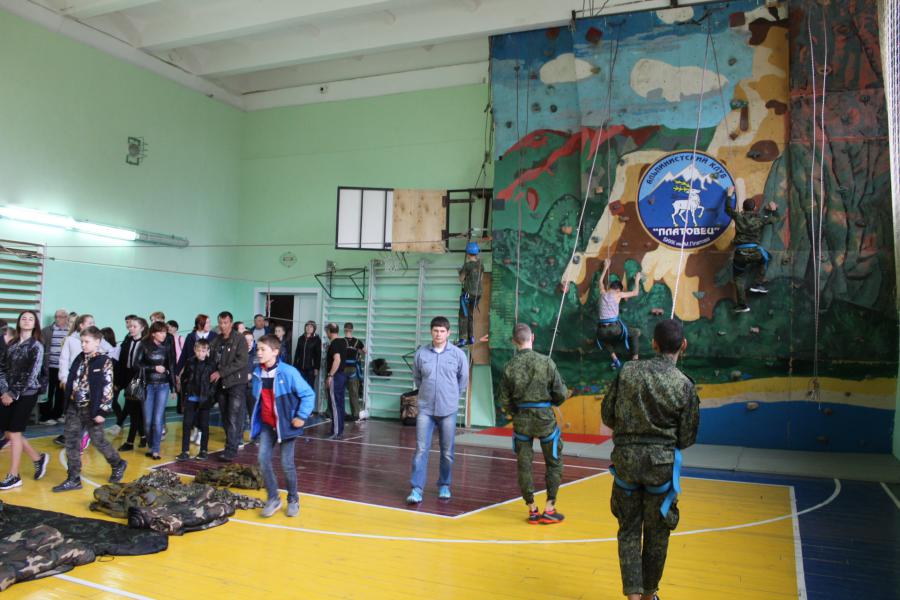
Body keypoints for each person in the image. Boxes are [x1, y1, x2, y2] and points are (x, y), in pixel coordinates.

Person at [601, 319, 700, 600]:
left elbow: (608, 414)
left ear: (654, 344)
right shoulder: (684, 385)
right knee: (657, 534)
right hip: (661, 468)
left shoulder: (627, 372)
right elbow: (687, 437)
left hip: (626, 464)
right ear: (683, 345)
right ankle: (649, 595)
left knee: (629, 530)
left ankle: (633, 597)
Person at [497, 323, 570, 524]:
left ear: (514, 341)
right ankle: (550, 508)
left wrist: (517, 411)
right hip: (545, 419)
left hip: (522, 420)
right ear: (533, 337)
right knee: (553, 462)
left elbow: (503, 399)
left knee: (524, 464)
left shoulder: (509, 366)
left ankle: (532, 509)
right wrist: (550, 403)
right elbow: (561, 394)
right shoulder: (546, 362)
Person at [52, 326, 128, 492]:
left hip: (91, 408)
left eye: (87, 342)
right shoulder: (79, 358)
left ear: (97, 342)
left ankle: (118, 463)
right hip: (74, 406)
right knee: (71, 442)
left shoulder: (104, 361)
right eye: (82, 341)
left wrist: (102, 411)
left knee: (98, 441)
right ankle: (73, 478)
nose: (83, 345)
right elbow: (73, 379)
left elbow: (107, 387)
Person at [250, 334, 315, 518]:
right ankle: (273, 498)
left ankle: (293, 499)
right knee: (263, 459)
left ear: (275, 352)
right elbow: (258, 400)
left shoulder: (289, 372)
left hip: (286, 425)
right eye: (257, 349)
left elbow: (308, 394)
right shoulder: (257, 373)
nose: (259, 352)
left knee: (287, 464)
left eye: (263, 349)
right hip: (267, 425)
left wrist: (301, 416)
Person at [406, 316, 468, 504]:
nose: (438, 334)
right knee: (420, 450)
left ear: (448, 333)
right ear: (431, 332)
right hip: (425, 409)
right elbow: (417, 378)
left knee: (447, 452)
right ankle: (416, 489)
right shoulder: (421, 354)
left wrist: (451, 396)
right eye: (435, 331)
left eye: (442, 331)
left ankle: (444, 485)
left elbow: (463, 380)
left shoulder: (458, 355)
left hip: (448, 409)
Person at [0, 311, 49, 491]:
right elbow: (2, 368)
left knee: (14, 432)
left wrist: (12, 394)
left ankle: (14, 476)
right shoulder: (11, 344)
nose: (27, 321)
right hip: (7, 393)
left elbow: (31, 375)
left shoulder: (36, 346)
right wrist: (4, 390)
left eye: (30, 319)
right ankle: (38, 458)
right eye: (23, 318)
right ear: (19, 322)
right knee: (8, 433)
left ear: (34, 324)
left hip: (26, 394)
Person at [57, 314, 113, 450]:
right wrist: (65, 379)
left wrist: (103, 410)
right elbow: (64, 360)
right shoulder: (70, 340)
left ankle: (86, 437)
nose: (83, 345)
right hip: (75, 388)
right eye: (89, 323)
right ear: (81, 325)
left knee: (97, 437)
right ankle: (74, 454)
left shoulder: (98, 345)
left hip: (90, 394)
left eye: (93, 322)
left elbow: (107, 384)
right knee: (72, 431)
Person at [723, 186, 780, 313]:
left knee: (738, 277)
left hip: (740, 253)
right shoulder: (760, 218)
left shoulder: (738, 216)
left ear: (743, 208)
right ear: (754, 208)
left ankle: (742, 305)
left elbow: (727, 209)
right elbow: (775, 219)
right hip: (755, 252)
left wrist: (729, 194)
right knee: (766, 258)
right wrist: (774, 210)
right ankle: (758, 284)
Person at [209, 311, 249, 462]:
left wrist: (221, 372)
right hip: (221, 385)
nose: (222, 325)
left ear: (231, 323)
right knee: (225, 417)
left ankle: (231, 449)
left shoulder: (240, 339)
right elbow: (211, 359)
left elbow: (241, 361)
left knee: (233, 416)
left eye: (225, 322)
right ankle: (231, 443)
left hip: (236, 383)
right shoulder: (216, 340)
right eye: (220, 322)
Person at [135, 321, 176, 460]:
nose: (164, 335)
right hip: (148, 385)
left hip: (163, 385)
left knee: (158, 420)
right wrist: (154, 368)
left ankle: (155, 450)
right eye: (161, 332)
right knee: (147, 421)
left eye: (165, 332)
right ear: (153, 333)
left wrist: (173, 388)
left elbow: (171, 365)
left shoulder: (167, 345)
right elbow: (136, 364)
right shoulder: (143, 344)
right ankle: (151, 446)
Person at [177, 314, 218, 447]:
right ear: (200, 324)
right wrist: (177, 373)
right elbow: (184, 355)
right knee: (190, 412)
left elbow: (216, 358)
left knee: (203, 413)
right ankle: (194, 431)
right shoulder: (191, 337)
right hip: (193, 379)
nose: (209, 325)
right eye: (207, 323)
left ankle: (200, 433)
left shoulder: (214, 336)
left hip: (206, 379)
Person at [597, 258, 643, 370]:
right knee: (635, 333)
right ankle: (635, 360)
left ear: (609, 287)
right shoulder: (618, 294)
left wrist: (605, 268)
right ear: (619, 290)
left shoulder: (602, 292)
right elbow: (635, 293)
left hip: (601, 331)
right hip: (615, 329)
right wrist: (637, 280)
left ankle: (615, 360)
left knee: (604, 340)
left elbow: (600, 282)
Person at [176, 338, 215, 461]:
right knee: (187, 424)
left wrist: (210, 395)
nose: (200, 353)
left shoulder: (211, 364)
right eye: (198, 350)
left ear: (207, 351)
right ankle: (185, 451)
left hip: (205, 399)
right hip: (191, 398)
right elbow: (184, 378)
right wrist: (185, 392)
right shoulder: (190, 362)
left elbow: (214, 383)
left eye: (203, 351)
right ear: (194, 350)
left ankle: (203, 451)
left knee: (204, 425)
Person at [115, 316, 148, 451]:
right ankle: (143, 436)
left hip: (138, 378)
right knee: (135, 409)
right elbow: (121, 363)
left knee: (134, 409)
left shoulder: (145, 343)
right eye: (130, 326)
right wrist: (118, 381)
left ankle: (130, 441)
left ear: (142, 328)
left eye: (134, 326)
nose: (131, 329)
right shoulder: (127, 341)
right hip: (128, 377)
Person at [39, 308, 69, 425]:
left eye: (60, 317)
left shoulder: (70, 331)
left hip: (63, 368)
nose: (57, 319)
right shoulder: (46, 331)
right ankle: (45, 417)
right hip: (49, 367)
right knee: (48, 392)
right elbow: (40, 347)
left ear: (66, 318)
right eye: (56, 316)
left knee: (61, 392)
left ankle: (57, 414)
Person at [456, 241, 484, 346]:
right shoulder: (481, 265)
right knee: (470, 314)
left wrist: (460, 272)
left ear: (467, 253)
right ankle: (471, 338)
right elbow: (480, 279)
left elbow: (461, 279)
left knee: (463, 315)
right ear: (477, 253)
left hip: (467, 294)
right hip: (477, 295)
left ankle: (462, 339)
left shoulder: (467, 266)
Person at [100, 326, 126, 435]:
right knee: (109, 403)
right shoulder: (102, 350)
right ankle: (119, 422)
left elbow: (117, 368)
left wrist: (116, 383)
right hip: (105, 381)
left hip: (115, 380)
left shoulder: (116, 349)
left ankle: (120, 422)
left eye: (102, 337)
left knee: (113, 402)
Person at [293, 320, 321, 412]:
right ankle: (300, 408)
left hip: (311, 369)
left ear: (314, 329)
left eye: (311, 327)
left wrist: (316, 368)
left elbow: (318, 355)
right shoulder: (301, 338)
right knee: (300, 388)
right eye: (307, 326)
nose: (308, 328)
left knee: (310, 388)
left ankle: (309, 410)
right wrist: (294, 366)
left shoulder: (317, 339)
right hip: (300, 367)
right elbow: (297, 353)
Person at [323, 323, 344, 438]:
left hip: (336, 377)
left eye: (327, 331)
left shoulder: (335, 343)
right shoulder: (342, 342)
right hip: (341, 376)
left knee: (335, 405)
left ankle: (336, 432)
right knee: (339, 404)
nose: (326, 333)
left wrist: (330, 375)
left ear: (329, 331)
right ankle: (338, 430)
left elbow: (337, 360)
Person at [340, 323, 365, 421]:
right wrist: (358, 352)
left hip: (342, 369)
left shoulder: (341, 341)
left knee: (340, 392)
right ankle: (355, 415)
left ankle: (341, 412)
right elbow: (365, 351)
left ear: (344, 329)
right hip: (352, 369)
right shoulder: (358, 342)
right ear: (352, 330)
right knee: (353, 393)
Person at [241, 329, 257, 446]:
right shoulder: (237, 355)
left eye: (251, 340)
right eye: (246, 340)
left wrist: (252, 374)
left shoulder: (257, 355)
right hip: (239, 388)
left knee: (254, 414)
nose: (249, 342)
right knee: (240, 415)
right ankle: (238, 438)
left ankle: (255, 437)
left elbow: (260, 369)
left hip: (253, 389)